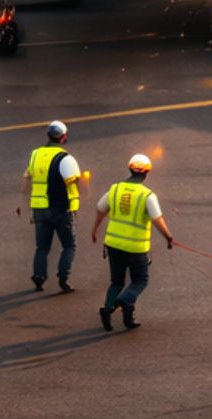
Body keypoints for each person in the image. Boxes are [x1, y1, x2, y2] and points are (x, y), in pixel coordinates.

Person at [88, 153, 174, 331]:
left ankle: (112, 311)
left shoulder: (116, 189)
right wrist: (168, 237)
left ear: (129, 169)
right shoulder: (147, 195)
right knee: (140, 280)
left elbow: (100, 208)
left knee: (117, 281)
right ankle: (122, 303)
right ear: (146, 173)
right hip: (136, 247)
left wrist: (95, 228)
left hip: (113, 244)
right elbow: (157, 219)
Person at [18, 120, 84, 292]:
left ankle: (39, 277)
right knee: (69, 245)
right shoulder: (66, 159)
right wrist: (74, 207)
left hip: (39, 209)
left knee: (42, 247)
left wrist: (23, 204)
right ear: (63, 137)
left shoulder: (35, 155)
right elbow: (73, 184)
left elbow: (27, 178)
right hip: (60, 210)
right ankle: (63, 278)